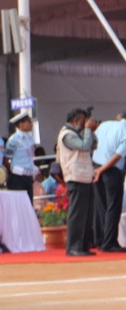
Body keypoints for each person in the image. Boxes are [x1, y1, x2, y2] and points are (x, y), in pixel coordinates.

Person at [56, 107, 96, 257]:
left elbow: (93, 145)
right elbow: (84, 146)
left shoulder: (77, 133)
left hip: (84, 176)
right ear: (75, 120)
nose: (84, 123)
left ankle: (83, 245)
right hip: (75, 177)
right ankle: (73, 246)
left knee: (86, 214)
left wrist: (91, 131)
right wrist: (87, 130)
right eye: (82, 120)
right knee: (77, 214)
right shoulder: (67, 134)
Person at [90, 112, 126, 252]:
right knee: (113, 207)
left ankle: (99, 239)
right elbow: (118, 155)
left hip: (96, 166)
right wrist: (103, 169)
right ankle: (109, 243)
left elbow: (93, 144)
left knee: (100, 205)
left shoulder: (104, 124)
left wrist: (97, 169)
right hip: (111, 170)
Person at [5, 111, 39, 199]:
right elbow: (7, 158)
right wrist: (12, 171)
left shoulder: (30, 138)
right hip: (18, 175)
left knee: (29, 203)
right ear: (21, 124)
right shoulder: (14, 139)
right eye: (28, 122)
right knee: (19, 203)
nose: (31, 124)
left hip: (28, 175)